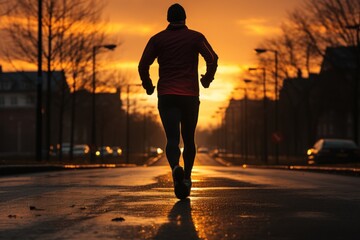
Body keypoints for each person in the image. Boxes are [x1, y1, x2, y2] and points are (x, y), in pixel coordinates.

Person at [138, 3, 218, 199]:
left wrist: (148, 85)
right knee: (189, 139)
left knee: (172, 139)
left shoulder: (157, 39)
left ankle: (175, 168)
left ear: (168, 19)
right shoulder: (196, 37)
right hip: (189, 96)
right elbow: (213, 58)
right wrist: (207, 80)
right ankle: (187, 178)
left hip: (166, 95)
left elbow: (142, 65)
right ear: (185, 18)